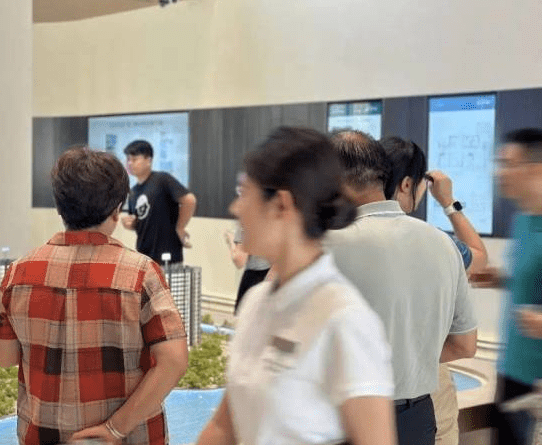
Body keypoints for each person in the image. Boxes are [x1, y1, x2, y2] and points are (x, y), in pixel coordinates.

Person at [197, 127, 396, 445]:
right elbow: (224, 427)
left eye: (244, 194)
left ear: (281, 205)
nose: (235, 209)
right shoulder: (256, 301)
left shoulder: (345, 319)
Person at [0, 146, 188, 445]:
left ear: (59, 207)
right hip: (129, 438)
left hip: (43, 435)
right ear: (117, 209)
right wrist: (115, 428)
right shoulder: (142, 274)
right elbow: (173, 361)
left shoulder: (17, 273)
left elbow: (5, 358)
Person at [325, 130, 477, 445]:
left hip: (345, 419)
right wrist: (412, 358)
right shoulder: (444, 244)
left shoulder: (321, 247)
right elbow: (465, 345)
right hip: (416, 418)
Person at [381, 136, 488, 445]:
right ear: (406, 185)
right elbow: (479, 257)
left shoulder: (342, 237)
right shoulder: (436, 243)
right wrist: (448, 202)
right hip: (423, 380)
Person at [473, 128, 542, 445]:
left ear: (535, 168)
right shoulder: (523, 220)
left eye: (508, 164)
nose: (498, 172)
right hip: (512, 369)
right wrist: (501, 278)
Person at [121, 140, 197, 265]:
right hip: (144, 257)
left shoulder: (162, 180)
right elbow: (140, 220)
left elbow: (189, 200)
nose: (130, 163)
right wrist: (131, 224)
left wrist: (180, 227)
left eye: (134, 159)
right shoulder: (133, 192)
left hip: (168, 257)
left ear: (148, 160)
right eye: (128, 159)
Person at [223, 223, 270, 314]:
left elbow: (239, 260)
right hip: (276, 280)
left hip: (253, 280)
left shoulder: (246, 221)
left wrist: (231, 240)